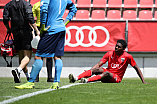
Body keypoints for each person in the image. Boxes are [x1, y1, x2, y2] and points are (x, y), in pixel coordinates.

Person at [15, 0, 77, 89]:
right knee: (57, 57)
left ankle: (31, 82)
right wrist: (65, 22)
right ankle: (56, 83)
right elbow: (74, 9)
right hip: (61, 29)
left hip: (50, 29)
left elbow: (44, 9)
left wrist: (43, 26)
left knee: (38, 56)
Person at [69, 39, 147, 84]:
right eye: (116, 45)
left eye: (118, 47)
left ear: (123, 49)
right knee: (98, 69)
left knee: (106, 73)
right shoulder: (109, 53)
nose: (116, 47)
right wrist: (91, 70)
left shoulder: (127, 56)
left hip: (116, 77)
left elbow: (136, 68)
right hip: (108, 72)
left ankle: (86, 81)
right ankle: (76, 78)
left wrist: (143, 81)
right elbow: (99, 64)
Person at [3, 0, 40, 83]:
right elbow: (30, 18)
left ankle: (27, 76)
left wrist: (8, 29)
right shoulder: (26, 4)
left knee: (21, 55)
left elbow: (5, 19)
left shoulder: (8, 5)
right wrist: (36, 30)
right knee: (27, 56)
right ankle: (18, 70)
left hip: (15, 32)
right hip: (25, 31)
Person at [32, 1, 53, 82]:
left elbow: (32, 19)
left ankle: (36, 77)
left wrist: (34, 31)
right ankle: (50, 77)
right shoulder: (51, 4)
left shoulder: (36, 5)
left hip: (38, 29)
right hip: (48, 28)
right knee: (49, 54)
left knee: (38, 53)